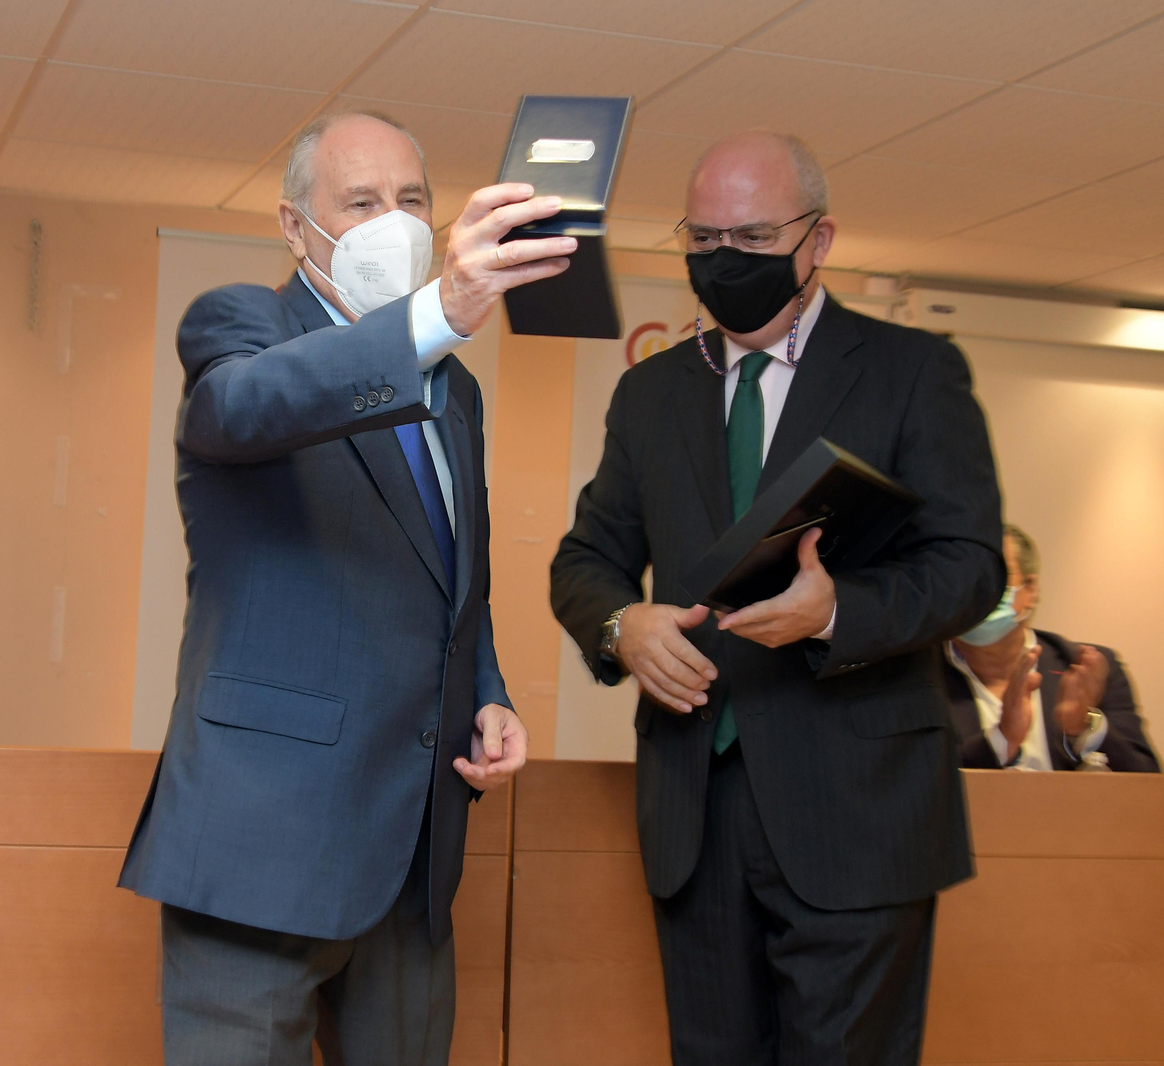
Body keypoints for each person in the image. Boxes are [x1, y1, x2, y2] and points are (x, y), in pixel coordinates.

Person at [550, 131, 1005, 1066]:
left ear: (819, 239)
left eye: (752, 238)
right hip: (695, 814)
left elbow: (969, 566)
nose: (725, 261)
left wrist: (837, 614)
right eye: (704, 238)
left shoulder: (914, 371)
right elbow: (586, 558)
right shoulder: (649, 395)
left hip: (859, 813)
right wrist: (620, 624)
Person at [119, 111, 559, 1065]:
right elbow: (242, 408)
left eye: (411, 202)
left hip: (410, 848)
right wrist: (438, 313)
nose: (390, 224)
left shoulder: (456, 392)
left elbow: (451, 576)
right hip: (260, 842)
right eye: (360, 203)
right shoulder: (242, 324)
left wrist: (487, 689)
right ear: (293, 225)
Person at [945, 524, 1158, 772]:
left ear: (1031, 589)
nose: (975, 593)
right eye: (961, 580)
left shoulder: (1085, 668)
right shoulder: (917, 677)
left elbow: (1147, 784)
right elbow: (917, 790)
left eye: (992, 578)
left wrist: (1085, 726)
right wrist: (1001, 741)